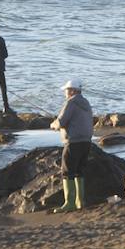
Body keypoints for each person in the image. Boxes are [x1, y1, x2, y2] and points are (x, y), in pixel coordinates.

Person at [49, 81, 93, 212]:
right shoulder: (86, 103)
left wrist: (53, 125)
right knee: (79, 170)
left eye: (67, 90)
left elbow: (61, 122)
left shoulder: (71, 102)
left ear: (73, 91)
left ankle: (69, 203)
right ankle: (80, 201)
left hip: (73, 142)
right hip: (86, 142)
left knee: (67, 172)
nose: (65, 93)